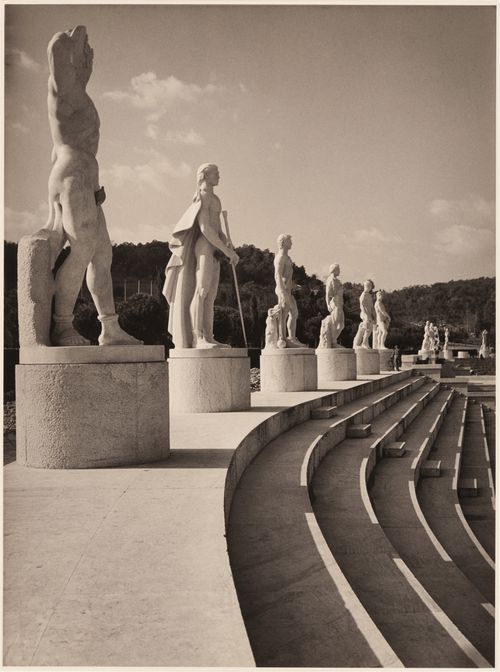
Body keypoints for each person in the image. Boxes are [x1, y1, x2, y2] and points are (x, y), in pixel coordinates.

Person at [43, 26, 140, 346]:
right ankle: (61, 326)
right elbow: (57, 54)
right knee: (83, 247)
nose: (87, 63)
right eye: (82, 59)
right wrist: (69, 42)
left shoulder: (78, 96)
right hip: (74, 178)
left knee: (102, 255)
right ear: (69, 63)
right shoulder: (62, 92)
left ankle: (109, 327)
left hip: (85, 182)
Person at [163, 164, 239, 348]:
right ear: (205, 175)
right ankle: (198, 337)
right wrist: (226, 250)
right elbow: (205, 229)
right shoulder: (203, 197)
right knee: (202, 291)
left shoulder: (216, 199)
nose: (219, 175)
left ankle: (209, 336)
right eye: (215, 172)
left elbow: (217, 229)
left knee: (211, 295)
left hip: (215, 250)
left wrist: (227, 243)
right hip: (205, 247)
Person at [271, 234, 305, 348]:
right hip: (283, 290)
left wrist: (294, 285)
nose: (291, 243)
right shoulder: (280, 257)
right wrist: (283, 292)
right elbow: (278, 276)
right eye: (289, 241)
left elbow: (287, 276)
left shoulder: (287, 257)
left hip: (288, 289)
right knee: (284, 314)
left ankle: (291, 337)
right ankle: (282, 338)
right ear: (283, 243)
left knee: (293, 313)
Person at [318, 263, 345, 348]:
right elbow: (327, 294)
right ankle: (333, 341)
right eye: (338, 269)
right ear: (334, 270)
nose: (340, 271)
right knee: (335, 323)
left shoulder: (337, 281)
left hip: (340, 303)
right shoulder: (330, 280)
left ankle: (333, 339)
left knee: (341, 325)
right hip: (335, 303)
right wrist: (328, 305)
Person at [353, 279, 376, 348]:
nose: (368, 287)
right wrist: (366, 315)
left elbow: (372, 307)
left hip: (369, 314)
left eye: (370, 286)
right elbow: (362, 306)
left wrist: (374, 316)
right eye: (367, 285)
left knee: (368, 328)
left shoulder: (369, 296)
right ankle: (364, 342)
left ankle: (360, 342)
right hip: (364, 313)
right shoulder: (363, 295)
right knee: (367, 327)